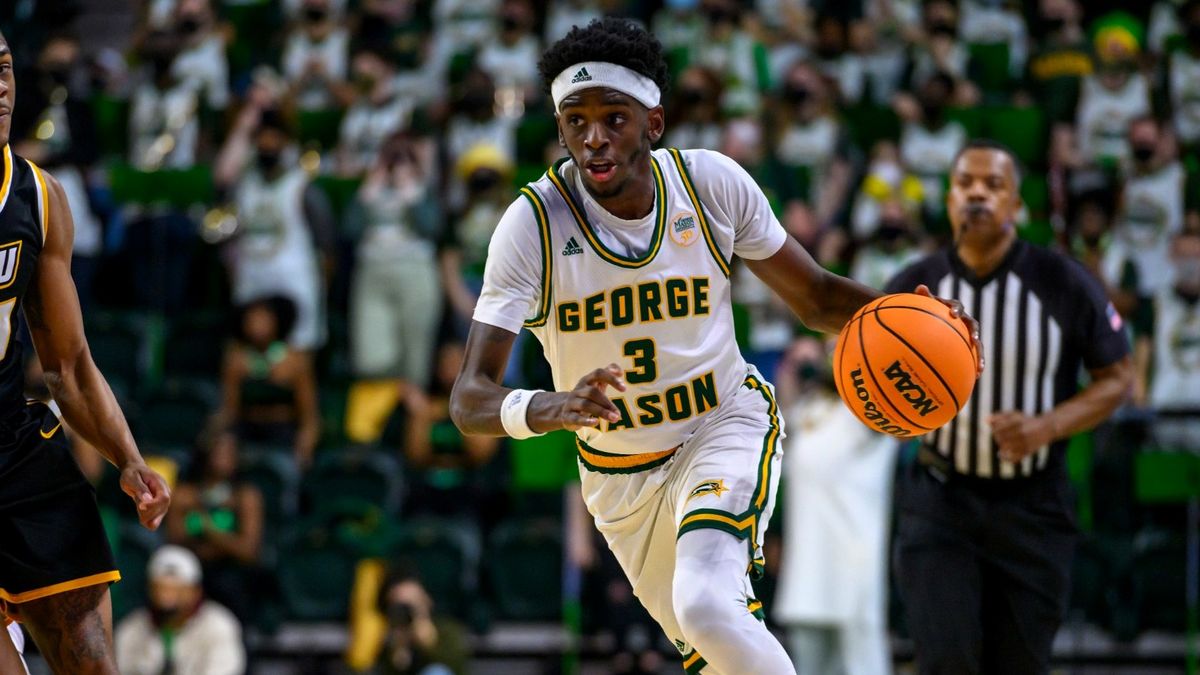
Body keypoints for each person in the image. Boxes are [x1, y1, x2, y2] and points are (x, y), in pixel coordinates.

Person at [449, 18, 978, 674]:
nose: (593, 137)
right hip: (620, 482)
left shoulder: (710, 184)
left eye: (614, 118)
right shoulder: (529, 225)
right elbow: (469, 398)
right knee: (722, 652)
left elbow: (813, 297)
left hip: (722, 426)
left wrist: (914, 312)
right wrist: (552, 407)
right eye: (575, 120)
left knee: (704, 602)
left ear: (655, 123)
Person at [885, 139, 1134, 674]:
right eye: (965, 183)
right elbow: (867, 375)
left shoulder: (1063, 281)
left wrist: (1048, 426)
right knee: (945, 661)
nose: (978, 193)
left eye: (993, 185)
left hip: (1033, 507)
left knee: (1020, 665)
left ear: (1018, 204)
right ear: (949, 199)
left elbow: (1119, 379)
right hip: (941, 503)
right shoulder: (914, 287)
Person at [0, 30, 171, 675]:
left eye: (6, 68)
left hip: (13, 442)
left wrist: (127, 460)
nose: (0, 86)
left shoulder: (39, 198)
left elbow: (68, 366)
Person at [772, 336, 896, 675]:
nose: (827, 361)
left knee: (862, 665)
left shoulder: (871, 414)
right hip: (807, 573)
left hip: (853, 567)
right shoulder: (813, 411)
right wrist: (793, 370)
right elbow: (785, 424)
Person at [165, 428, 265, 623]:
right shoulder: (184, 494)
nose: (221, 457)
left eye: (228, 452)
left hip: (231, 575)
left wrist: (206, 528)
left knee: (233, 583)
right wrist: (223, 540)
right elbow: (174, 542)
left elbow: (248, 551)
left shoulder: (246, 496)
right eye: (217, 450)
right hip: (193, 571)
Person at [217, 296, 321, 466]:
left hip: (282, 432)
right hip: (247, 430)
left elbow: (309, 415)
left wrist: (306, 443)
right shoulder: (236, 361)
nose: (257, 324)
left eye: (263, 318)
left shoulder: (295, 361)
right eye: (252, 318)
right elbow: (230, 409)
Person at [114, 545, 245, 675]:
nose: (166, 597)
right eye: (161, 588)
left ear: (195, 591)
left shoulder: (219, 624)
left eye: (177, 590)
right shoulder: (131, 628)